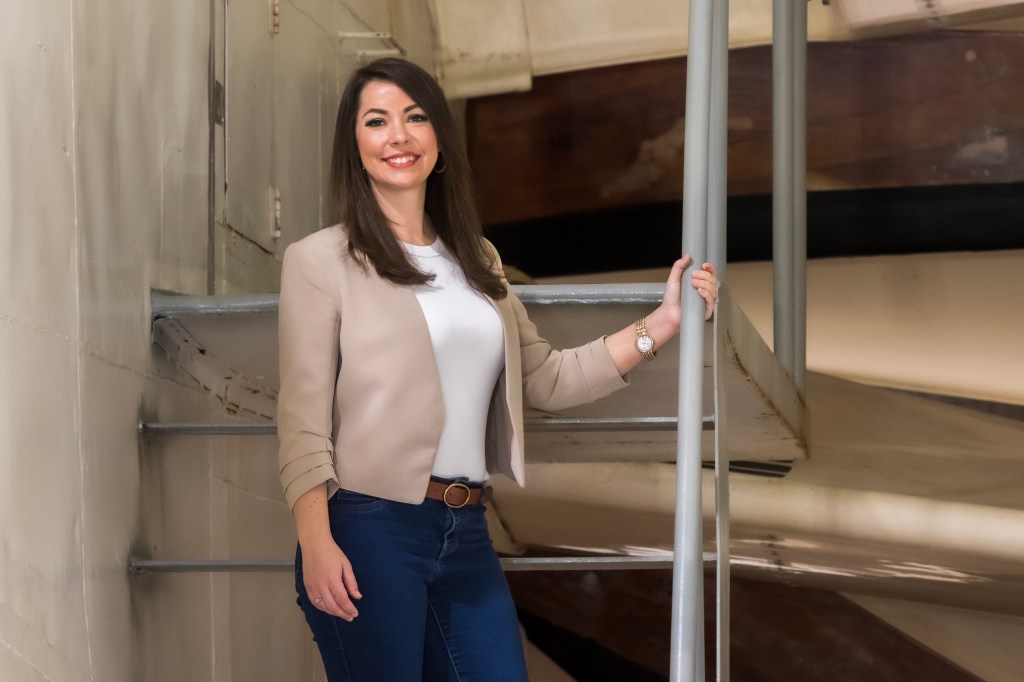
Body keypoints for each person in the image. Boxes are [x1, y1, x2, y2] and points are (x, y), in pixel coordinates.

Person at [277, 57, 719, 681]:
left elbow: (548, 379)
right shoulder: (320, 260)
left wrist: (664, 324)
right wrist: (318, 543)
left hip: (466, 529)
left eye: (415, 117)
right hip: (369, 528)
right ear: (355, 146)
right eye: (377, 121)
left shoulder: (477, 257)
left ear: (438, 139)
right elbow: (301, 416)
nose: (398, 135)